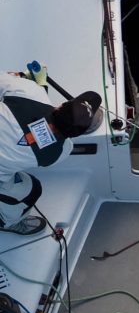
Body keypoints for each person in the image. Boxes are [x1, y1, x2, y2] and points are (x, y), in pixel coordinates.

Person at [0, 68, 101, 235]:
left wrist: (31, 83)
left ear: (60, 105)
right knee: (32, 190)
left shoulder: (30, 92)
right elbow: (36, 136)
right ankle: (8, 223)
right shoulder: (60, 152)